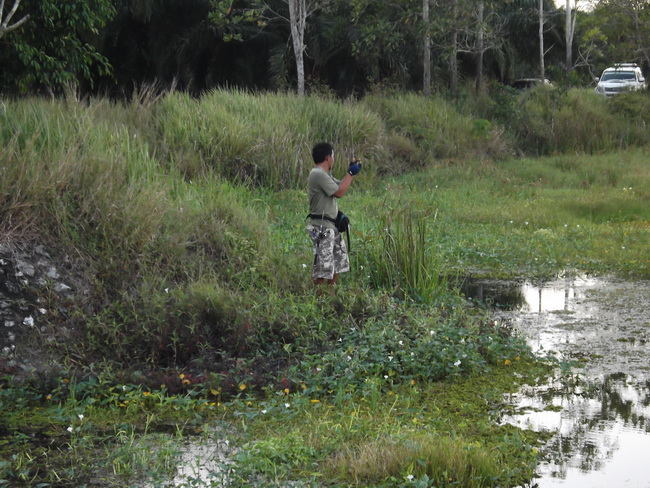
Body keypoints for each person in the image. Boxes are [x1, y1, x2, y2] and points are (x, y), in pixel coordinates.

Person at [307, 142, 362, 296]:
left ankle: (329, 295)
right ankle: (318, 300)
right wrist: (350, 173)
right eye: (333, 156)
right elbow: (339, 192)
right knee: (323, 268)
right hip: (322, 227)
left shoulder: (324, 175)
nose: (333, 159)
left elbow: (340, 185)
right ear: (327, 157)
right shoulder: (317, 174)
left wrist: (350, 172)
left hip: (331, 226)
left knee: (338, 262)